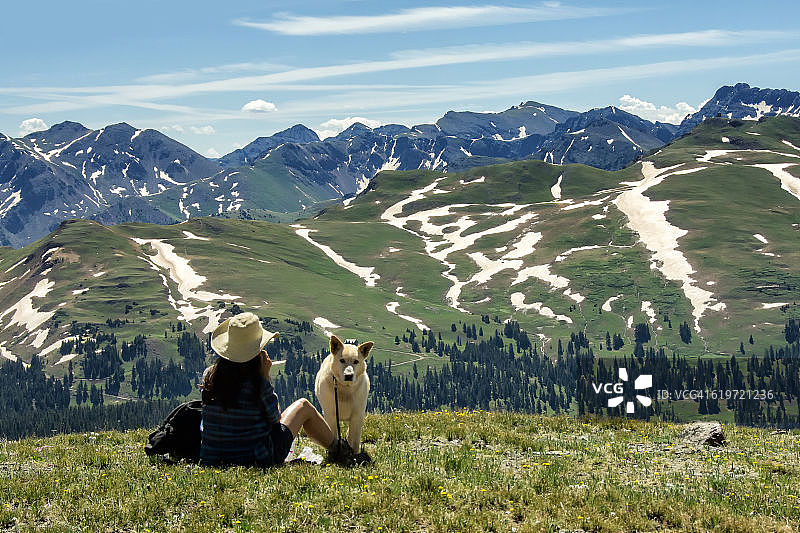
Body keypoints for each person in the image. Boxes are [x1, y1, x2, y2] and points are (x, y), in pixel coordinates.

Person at [199, 312, 354, 467]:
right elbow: (275, 418)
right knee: (303, 406)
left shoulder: (210, 376)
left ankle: (339, 448)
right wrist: (265, 377)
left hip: (211, 458)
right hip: (256, 459)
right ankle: (339, 449)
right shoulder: (258, 384)